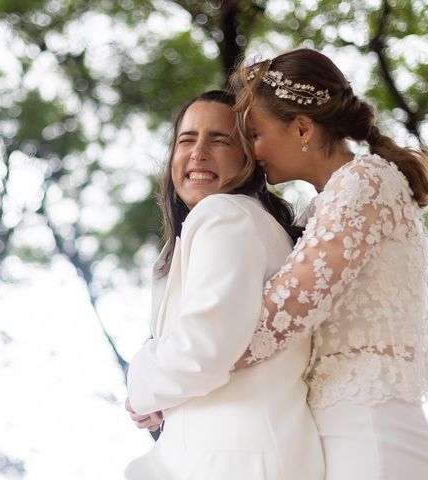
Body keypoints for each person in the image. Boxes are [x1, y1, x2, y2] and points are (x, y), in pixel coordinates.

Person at [229, 48, 428, 479]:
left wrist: (177, 372)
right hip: (345, 434)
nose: (252, 150)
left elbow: (278, 317)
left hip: (372, 439)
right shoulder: (329, 202)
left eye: (256, 133)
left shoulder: (363, 183)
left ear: (302, 127)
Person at [124, 90, 324, 480]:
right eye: (187, 139)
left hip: (236, 462)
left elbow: (204, 346)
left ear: (249, 157)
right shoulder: (233, 226)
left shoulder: (224, 214)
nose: (198, 152)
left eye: (219, 139)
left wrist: (141, 383)